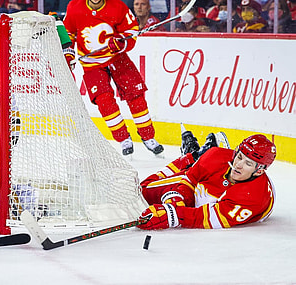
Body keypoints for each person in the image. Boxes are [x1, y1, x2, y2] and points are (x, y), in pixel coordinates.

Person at [63, 0, 164, 156]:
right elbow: (68, 33)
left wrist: (121, 42)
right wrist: (68, 51)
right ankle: (123, 139)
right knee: (104, 101)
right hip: (91, 64)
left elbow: (131, 31)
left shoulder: (117, 6)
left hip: (118, 58)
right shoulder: (74, 7)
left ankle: (148, 136)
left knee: (136, 96)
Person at [137, 131, 276, 230]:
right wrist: (177, 197)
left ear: (259, 171)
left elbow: (205, 218)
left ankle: (196, 157)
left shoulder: (253, 197)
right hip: (216, 174)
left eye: (248, 164)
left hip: (230, 198)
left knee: (200, 201)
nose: (238, 164)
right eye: (239, 157)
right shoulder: (217, 157)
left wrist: (172, 215)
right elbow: (188, 180)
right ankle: (193, 156)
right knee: (142, 190)